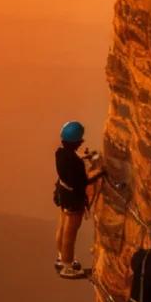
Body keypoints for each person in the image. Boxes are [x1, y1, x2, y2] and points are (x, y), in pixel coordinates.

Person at [53, 120, 103, 279]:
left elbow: (72, 159)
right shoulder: (74, 162)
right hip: (74, 198)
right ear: (77, 141)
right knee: (70, 231)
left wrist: (84, 157)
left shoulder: (60, 153)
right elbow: (81, 182)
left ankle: (62, 258)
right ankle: (67, 266)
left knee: (62, 227)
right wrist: (99, 173)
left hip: (63, 194)